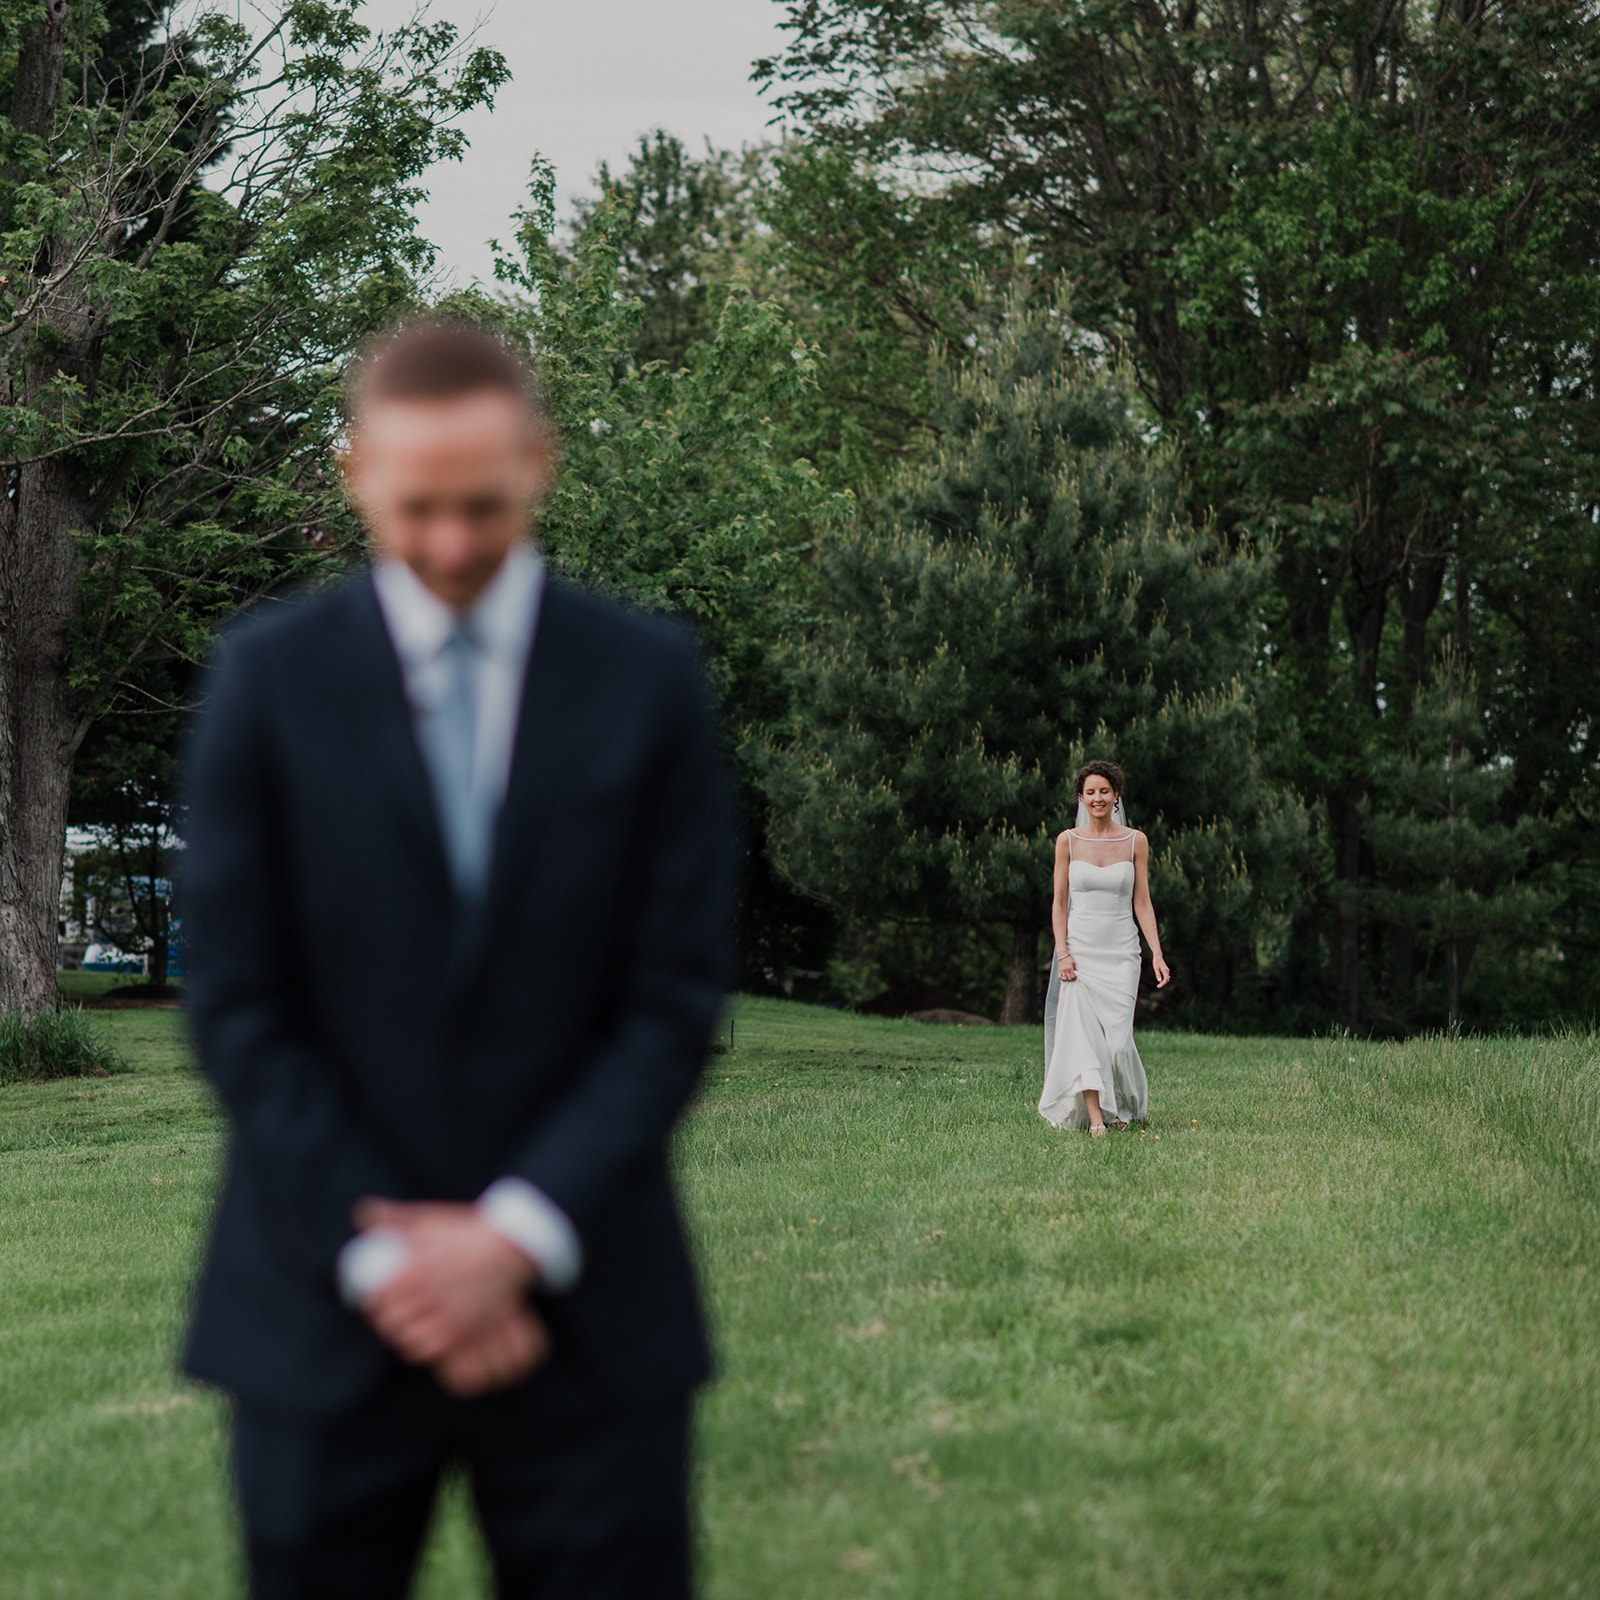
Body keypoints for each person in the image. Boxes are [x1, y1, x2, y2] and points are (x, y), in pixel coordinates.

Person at [180, 320, 736, 1598]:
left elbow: (670, 1001)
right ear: (355, 472)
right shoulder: (265, 682)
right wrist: (393, 1258)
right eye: (416, 507)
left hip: (589, 1313)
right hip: (320, 1315)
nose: (447, 547)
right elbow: (240, 1007)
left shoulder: (647, 679)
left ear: (537, 463)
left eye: (480, 506)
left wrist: (515, 1237)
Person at [1039, 760, 1170, 1135]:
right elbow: (1059, 903)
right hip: (1079, 952)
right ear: (1081, 797)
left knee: (1118, 1043)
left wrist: (1156, 953)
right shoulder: (1067, 841)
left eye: (1105, 791)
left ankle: (1127, 1104)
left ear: (1116, 797)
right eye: (1090, 791)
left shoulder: (1135, 841)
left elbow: (1142, 901)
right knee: (1083, 1036)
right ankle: (1099, 1119)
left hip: (1121, 953)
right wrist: (1063, 953)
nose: (1098, 798)